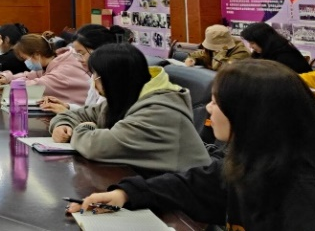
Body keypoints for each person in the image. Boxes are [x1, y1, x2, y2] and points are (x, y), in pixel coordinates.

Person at [70, 61, 315, 231]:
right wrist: (126, 194)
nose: (208, 109)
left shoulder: (309, 203)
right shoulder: (256, 162)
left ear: (248, 114)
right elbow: (194, 184)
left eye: (216, 102)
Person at [49, 44, 210, 173]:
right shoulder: (127, 98)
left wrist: (81, 129)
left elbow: (97, 146)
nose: (93, 83)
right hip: (149, 185)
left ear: (112, 79)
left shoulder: (159, 111)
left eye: (96, 77)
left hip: (184, 198)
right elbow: (80, 114)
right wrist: (62, 125)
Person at [39, 24, 120, 113]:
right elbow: (90, 111)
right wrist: (67, 106)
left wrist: (65, 112)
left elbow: (101, 118)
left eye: (82, 53)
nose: (79, 59)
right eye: (76, 54)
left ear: (98, 50)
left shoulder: (112, 78)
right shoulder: (95, 75)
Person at [0, 34, 90, 105]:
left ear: (36, 54)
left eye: (26, 59)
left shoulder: (63, 70)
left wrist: (6, 87)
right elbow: (30, 75)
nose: (26, 62)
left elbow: (37, 85)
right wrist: (7, 78)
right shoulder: (53, 63)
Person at [240, 22, 311, 73]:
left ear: (264, 41)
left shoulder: (285, 57)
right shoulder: (262, 53)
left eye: (252, 43)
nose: (250, 46)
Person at [184, 24, 250, 70]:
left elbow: (225, 69)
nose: (215, 50)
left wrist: (221, 54)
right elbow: (201, 54)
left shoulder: (241, 52)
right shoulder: (210, 50)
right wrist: (192, 59)